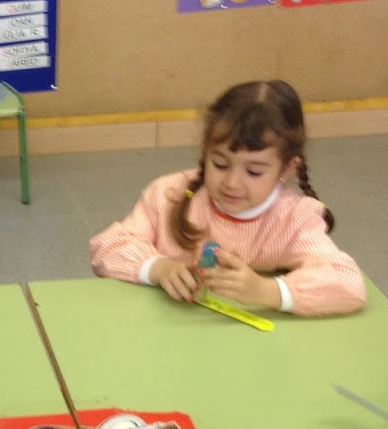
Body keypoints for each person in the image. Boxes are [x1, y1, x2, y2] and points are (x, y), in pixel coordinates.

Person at [88, 79, 365, 316]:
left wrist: (267, 291)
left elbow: (349, 283)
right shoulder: (169, 194)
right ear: (205, 152)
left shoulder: (293, 219)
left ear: (286, 169)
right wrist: (157, 268)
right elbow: (106, 247)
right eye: (220, 164)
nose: (232, 183)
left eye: (254, 171)